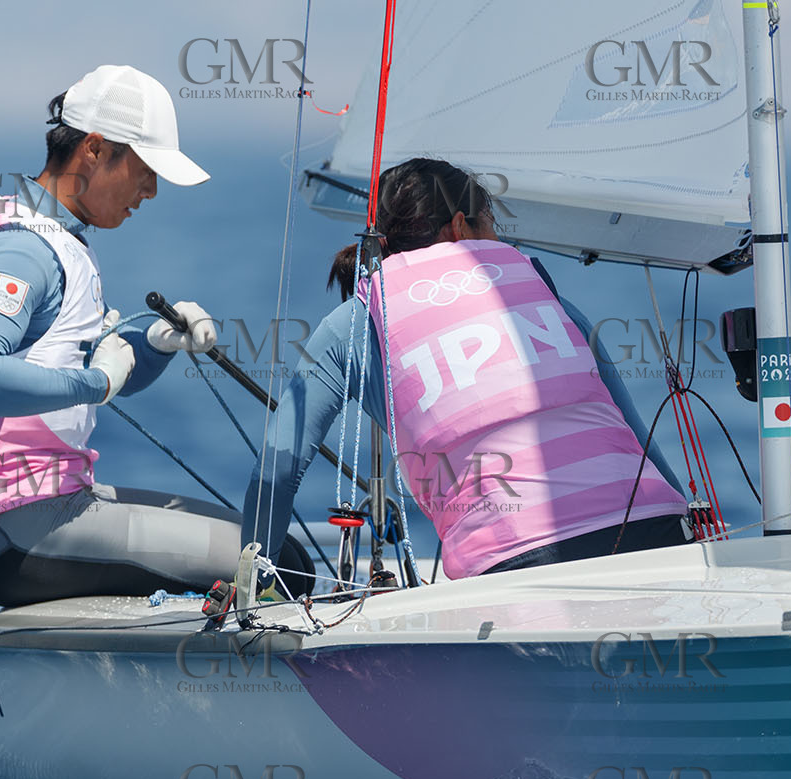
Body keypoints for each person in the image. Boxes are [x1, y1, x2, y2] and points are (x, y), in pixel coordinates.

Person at [0, 64, 309, 607]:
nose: (151, 191)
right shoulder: (20, 251)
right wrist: (96, 381)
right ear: (96, 150)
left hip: (49, 514)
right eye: (146, 169)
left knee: (270, 545)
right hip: (22, 534)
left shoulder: (56, 237)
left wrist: (151, 341)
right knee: (281, 566)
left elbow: (102, 368)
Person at [242, 157, 689, 582]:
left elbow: (277, 471)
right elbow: (636, 437)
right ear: (460, 227)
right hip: (656, 536)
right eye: (494, 227)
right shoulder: (550, 302)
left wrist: (253, 585)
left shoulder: (351, 326)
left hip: (516, 566)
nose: (500, 244)